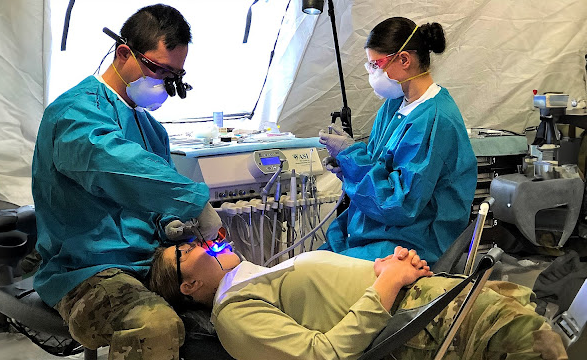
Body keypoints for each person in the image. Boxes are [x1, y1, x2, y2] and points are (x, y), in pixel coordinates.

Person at [31, 4, 222, 359]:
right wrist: (194, 201)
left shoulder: (152, 129)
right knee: (154, 326)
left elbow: (155, 199)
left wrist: (176, 225)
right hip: (86, 271)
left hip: (148, 262)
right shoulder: (73, 115)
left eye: (174, 75)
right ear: (124, 53)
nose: (166, 84)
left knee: (241, 299)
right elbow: (114, 164)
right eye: (160, 71)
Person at [149, 243, 568, 360]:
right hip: (423, 325)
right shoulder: (233, 314)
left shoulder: (256, 277)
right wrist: (389, 282)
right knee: (543, 343)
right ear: (187, 287)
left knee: (550, 333)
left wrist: (387, 267)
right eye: (185, 252)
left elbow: (333, 294)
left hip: (430, 298)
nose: (200, 244)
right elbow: (323, 354)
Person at [318, 17, 477, 265]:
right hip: (378, 230)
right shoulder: (395, 106)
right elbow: (379, 167)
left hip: (414, 242)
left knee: (315, 275)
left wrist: (352, 158)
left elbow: (400, 203)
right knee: (308, 265)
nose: (372, 73)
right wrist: (346, 165)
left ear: (404, 59)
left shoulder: (434, 119)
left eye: (376, 64)